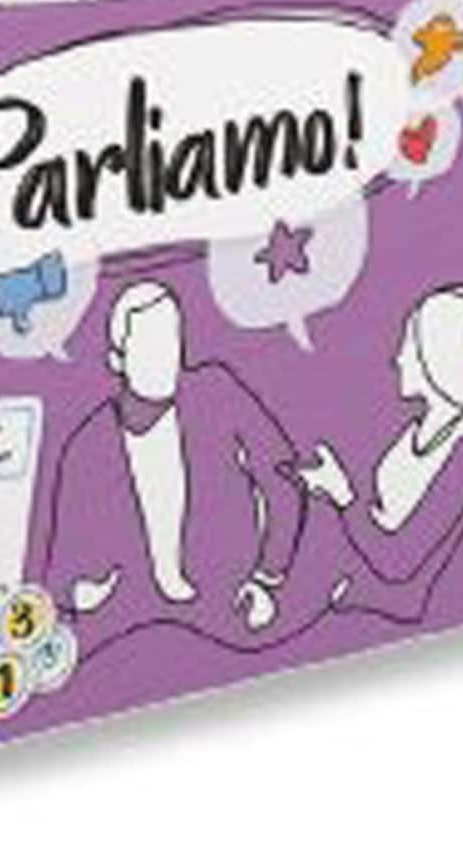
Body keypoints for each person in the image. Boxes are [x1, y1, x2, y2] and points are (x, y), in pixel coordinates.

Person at [42, 280, 312, 657]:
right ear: (118, 359)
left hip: (232, 612)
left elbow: (282, 475)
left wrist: (268, 575)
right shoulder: (87, 445)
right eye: (149, 344)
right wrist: (80, 595)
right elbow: (61, 569)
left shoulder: (215, 391)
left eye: (171, 340)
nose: (165, 356)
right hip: (136, 634)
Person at [243, 284, 463, 629]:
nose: (399, 359)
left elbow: (398, 561)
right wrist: (329, 489)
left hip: (388, 598)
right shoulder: (418, 426)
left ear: (434, 355)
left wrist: (344, 497)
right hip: (352, 571)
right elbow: (377, 521)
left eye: (408, 347)